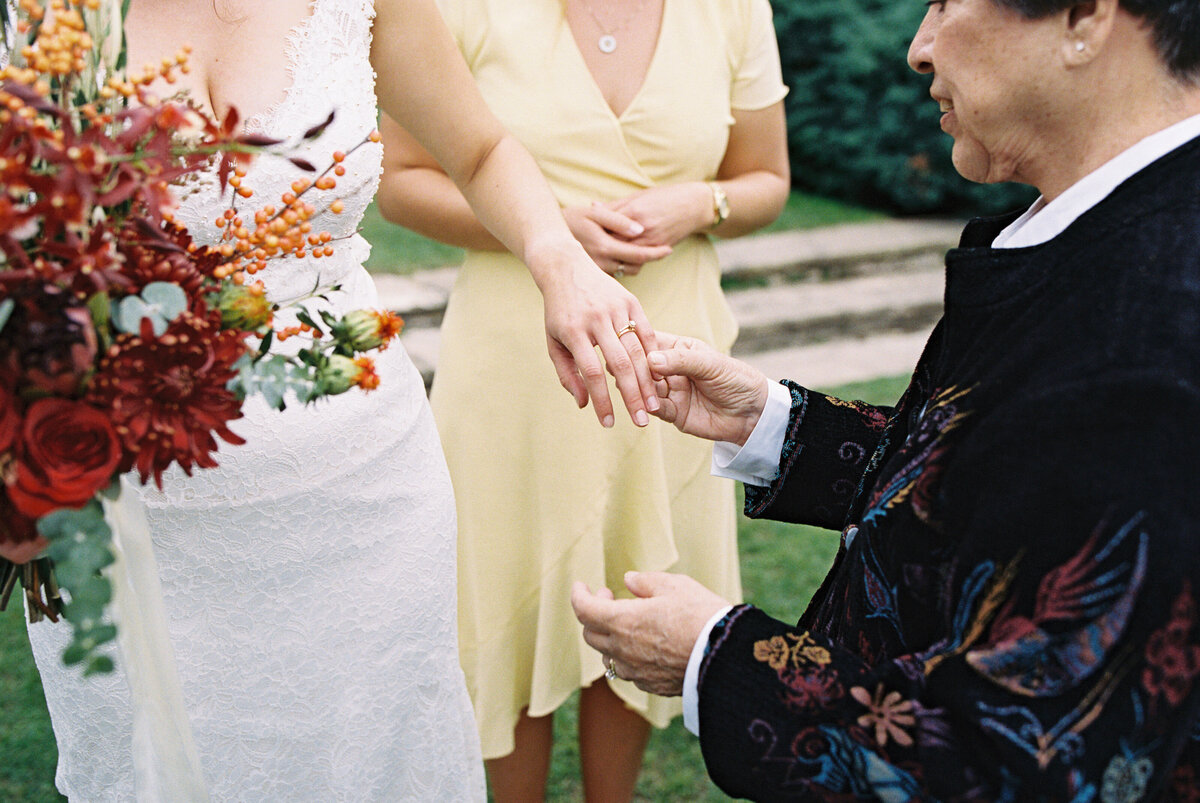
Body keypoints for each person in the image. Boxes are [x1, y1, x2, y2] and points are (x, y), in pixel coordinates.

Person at [8, 0, 663, 798]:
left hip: (366, 486)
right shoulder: (35, 18)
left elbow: (483, 149)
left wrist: (555, 255)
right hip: (131, 503)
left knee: (381, 754)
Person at [571, 0, 1200, 798]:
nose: (918, 48)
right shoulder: (1097, 230)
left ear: (1084, 15)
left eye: (945, 3)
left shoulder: (1155, 332)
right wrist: (776, 424)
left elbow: (1018, 767)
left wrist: (714, 656)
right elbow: (1009, 497)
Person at [374, 0, 789, 797]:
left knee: (640, 584)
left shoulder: (734, 10)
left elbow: (768, 179)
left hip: (671, 366)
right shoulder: (462, 9)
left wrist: (703, 202)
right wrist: (546, 232)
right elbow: (401, 183)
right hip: (513, 363)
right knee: (508, 600)